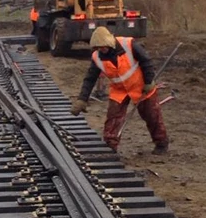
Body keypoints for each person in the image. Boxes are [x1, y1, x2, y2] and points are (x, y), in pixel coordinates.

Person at [71, 26, 169, 154]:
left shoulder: (128, 44)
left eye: (103, 47)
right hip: (119, 90)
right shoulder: (97, 57)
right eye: (98, 48)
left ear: (109, 42)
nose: (102, 50)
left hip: (141, 87)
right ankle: (110, 146)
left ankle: (161, 143)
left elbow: (146, 61)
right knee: (113, 119)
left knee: (152, 115)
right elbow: (90, 79)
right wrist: (82, 99)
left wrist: (148, 81)